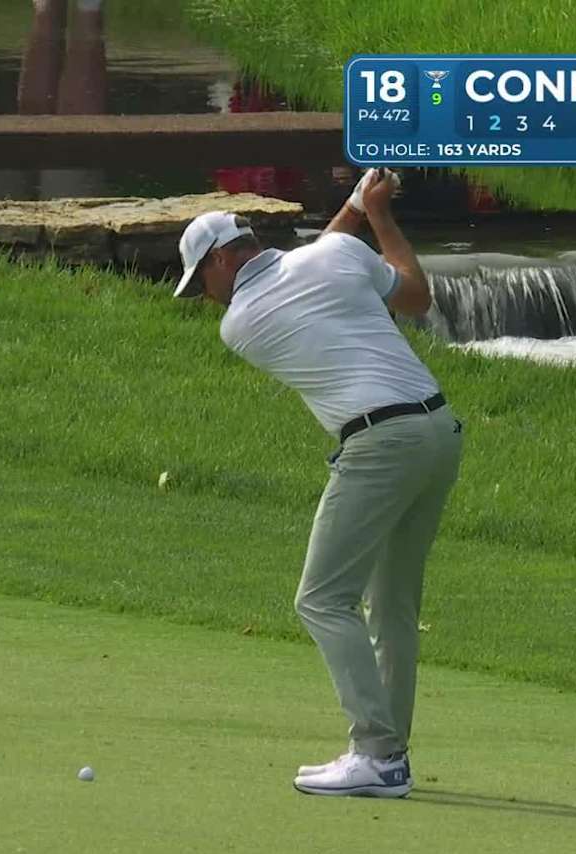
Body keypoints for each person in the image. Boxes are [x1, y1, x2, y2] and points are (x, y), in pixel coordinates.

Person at [171, 171, 463, 798]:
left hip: (380, 444)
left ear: (223, 261)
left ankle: (377, 752)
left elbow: (313, 266)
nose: (205, 297)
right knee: (391, 606)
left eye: (202, 280)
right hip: (439, 432)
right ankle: (389, 760)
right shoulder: (335, 254)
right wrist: (372, 213)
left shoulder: (241, 323)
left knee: (322, 599)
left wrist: (356, 208)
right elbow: (414, 296)